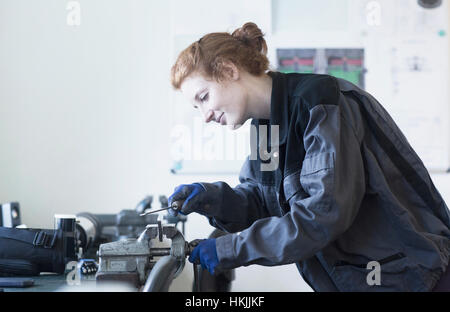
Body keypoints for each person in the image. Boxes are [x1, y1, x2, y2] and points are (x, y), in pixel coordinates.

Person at [168, 22, 450, 292]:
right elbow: (263, 202)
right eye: (196, 107)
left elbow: (322, 214)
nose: (204, 116)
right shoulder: (265, 126)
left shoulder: (320, 101)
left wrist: (229, 249)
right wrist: (212, 200)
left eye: (204, 97)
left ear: (229, 70)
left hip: (415, 278)